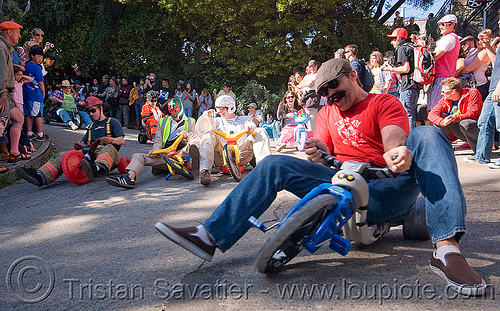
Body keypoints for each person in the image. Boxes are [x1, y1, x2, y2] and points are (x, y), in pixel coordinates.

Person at [155, 59, 487, 296]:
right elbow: (322, 151)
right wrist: (314, 149)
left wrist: (395, 152)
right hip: (342, 184)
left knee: (429, 134)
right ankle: (209, 235)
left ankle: (446, 250)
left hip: (387, 183)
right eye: (323, 91)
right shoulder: (327, 113)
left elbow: (393, 137)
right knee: (275, 164)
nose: (329, 94)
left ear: (353, 76)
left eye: (334, 86)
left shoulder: (382, 102)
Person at [16, 96, 125, 186]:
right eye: (89, 112)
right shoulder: (91, 127)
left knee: (108, 147)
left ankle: (97, 168)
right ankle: (41, 176)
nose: (91, 114)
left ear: (101, 108)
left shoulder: (112, 122)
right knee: (63, 155)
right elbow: (84, 143)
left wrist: (110, 140)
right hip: (90, 155)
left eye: (93, 111)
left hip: (110, 156)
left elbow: (121, 141)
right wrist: (79, 145)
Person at [106, 98, 199, 189]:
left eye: (176, 114)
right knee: (138, 156)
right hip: (165, 157)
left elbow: (194, 136)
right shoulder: (163, 121)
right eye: (172, 114)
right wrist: (155, 151)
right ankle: (129, 178)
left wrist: (187, 135)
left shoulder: (191, 121)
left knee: (195, 139)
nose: (175, 116)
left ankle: (196, 158)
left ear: (181, 110)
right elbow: (158, 140)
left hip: (181, 156)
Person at [197, 95, 271, 185]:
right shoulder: (216, 121)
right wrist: (207, 116)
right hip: (221, 154)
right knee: (208, 134)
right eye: (218, 108)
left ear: (230, 107)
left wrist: (251, 128)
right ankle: (204, 171)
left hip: (241, 153)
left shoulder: (243, 119)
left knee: (260, 131)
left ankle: (265, 168)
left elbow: (251, 124)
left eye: (222, 108)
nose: (219, 111)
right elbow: (202, 128)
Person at [465, 35, 500, 169]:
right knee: (484, 121)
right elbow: (496, 62)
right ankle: (481, 156)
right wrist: (489, 47)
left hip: (497, 89)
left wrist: (498, 88)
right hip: (494, 89)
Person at [428, 78, 481, 153]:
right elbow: (431, 114)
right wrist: (442, 122)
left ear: (453, 92)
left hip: (473, 128)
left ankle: (479, 152)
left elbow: (472, 113)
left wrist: (455, 118)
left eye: (443, 91)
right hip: (458, 130)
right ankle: (446, 149)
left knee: (465, 123)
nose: (441, 93)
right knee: (439, 117)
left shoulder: (471, 93)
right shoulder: (444, 100)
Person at [384, 27, 419, 130]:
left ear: (398, 38)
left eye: (393, 39)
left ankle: (410, 141)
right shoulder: (411, 47)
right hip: (415, 84)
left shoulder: (401, 48)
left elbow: (406, 68)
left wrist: (391, 69)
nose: (392, 42)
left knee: (407, 114)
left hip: (407, 85)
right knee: (411, 113)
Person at [1, 22, 25, 167]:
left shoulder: (7, 48)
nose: (20, 35)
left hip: (6, 94)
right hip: (2, 94)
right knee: (0, 126)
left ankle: (14, 151)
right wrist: (3, 93)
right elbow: (1, 72)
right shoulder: (1, 47)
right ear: (9, 32)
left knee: (18, 118)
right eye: (17, 32)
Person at [427, 14, 460, 112]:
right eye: (440, 24)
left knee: (434, 109)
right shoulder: (454, 38)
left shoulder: (448, 38)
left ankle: (435, 127)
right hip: (447, 76)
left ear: (452, 24)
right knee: (441, 108)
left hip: (441, 77)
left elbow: (434, 57)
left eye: (443, 24)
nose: (440, 27)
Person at [23, 45, 48, 141]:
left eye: (41, 57)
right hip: (36, 95)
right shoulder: (37, 67)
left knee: (29, 114)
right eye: (38, 56)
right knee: (38, 115)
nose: (40, 59)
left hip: (26, 94)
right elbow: (41, 83)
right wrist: (43, 94)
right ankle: (40, 134)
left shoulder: (26, 65)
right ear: (32, 55)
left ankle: (29, 133)